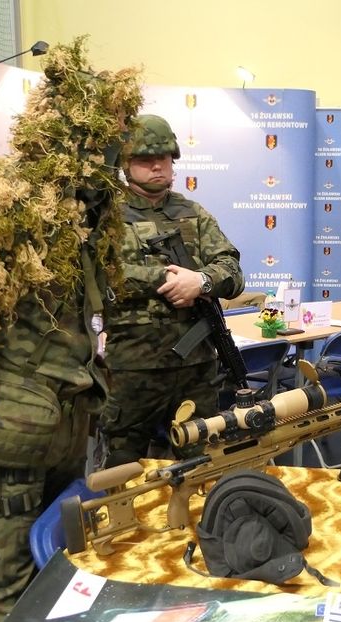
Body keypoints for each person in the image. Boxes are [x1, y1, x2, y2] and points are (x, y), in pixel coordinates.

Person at [0, 52, 144, 622]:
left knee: (49, 581)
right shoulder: (9, 206)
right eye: (107, 136)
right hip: (9, 431)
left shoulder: (86, 216)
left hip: (59, 425)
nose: (115, 154)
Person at [99, 114, 244, 468]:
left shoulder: (193, 213)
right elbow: (101, 276)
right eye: (145, 160)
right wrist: (164, 279)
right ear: (125, 163)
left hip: (195, 370)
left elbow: (232, 270)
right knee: (123, 468)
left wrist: (201, 282)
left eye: (163, 158)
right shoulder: (106, 216)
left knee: (200, 465)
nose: (156, 167)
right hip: (133, 371)